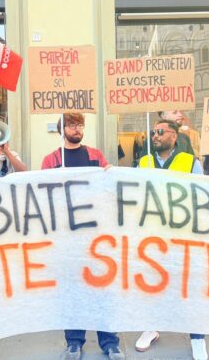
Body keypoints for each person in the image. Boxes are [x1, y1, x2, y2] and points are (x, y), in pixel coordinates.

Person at [41, 113, 124, 360]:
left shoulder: (95, 156)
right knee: (73, 290)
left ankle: (110, 342)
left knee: (103, 289)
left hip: (96, 233)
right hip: (67, 235)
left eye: (80, 125)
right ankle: (74, 342)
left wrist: (110, 174)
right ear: (62, 129)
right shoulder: (52, 160)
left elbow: (109, 186)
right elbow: (43, 193)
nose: (77, 129)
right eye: (71, 125)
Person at [135, 119, 206, 360]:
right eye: (153, 132)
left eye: (160, 132)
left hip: (183, 234)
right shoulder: (144, 161)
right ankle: (151, 327)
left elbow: (202, 195)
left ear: (174, 136)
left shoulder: (191, 162)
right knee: (152, 284)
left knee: (189, 286)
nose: (154, 136)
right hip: (153, 234)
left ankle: (197, 338)